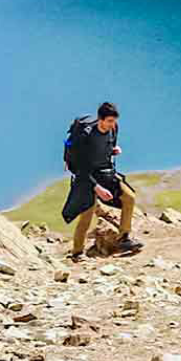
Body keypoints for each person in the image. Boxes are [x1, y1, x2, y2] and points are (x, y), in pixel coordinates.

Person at [61, 101, 143, 260]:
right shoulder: (86, 136)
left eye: (115, 121)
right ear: (101, 119)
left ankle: (124, 238)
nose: (113, 124)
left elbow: (105, 148)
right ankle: (77, 253)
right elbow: (81, 168)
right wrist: (96, 188)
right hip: (86, 177)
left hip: (105, 173)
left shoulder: (113, 129)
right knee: (86, 216)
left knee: (129, 197)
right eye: (110, 121)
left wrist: (113, 151)